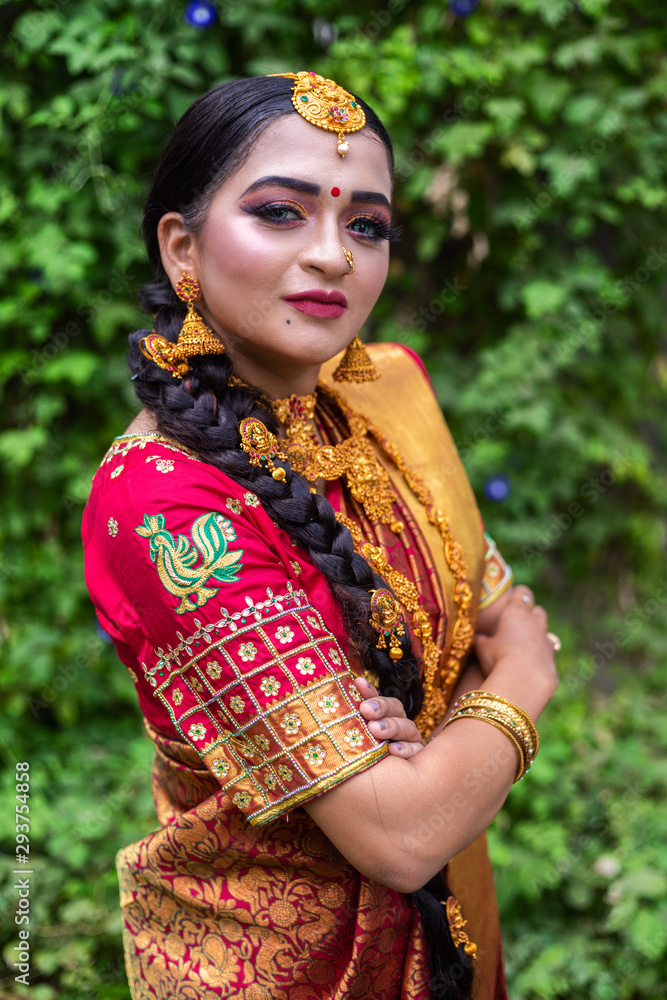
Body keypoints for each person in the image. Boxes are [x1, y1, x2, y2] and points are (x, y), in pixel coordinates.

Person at [82, 72, 559, 1000]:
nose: (334, 256)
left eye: (366, 226)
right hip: (275, 962)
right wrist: (528, 680)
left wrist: (441, 723)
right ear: (182, 248)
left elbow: (486, 621)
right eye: (279, 214)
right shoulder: (163, 506)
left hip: (446, 929)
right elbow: (401, 832)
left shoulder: (390, 392)